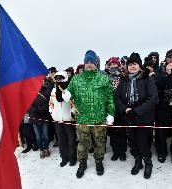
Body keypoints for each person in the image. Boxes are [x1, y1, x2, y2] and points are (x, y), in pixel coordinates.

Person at [63, 50, 115, 178]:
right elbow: (69, 92)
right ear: (84, 63)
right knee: (82, 144)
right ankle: (82, 164)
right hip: (83, 120)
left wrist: (111, 113)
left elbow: (110, 98)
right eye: (87, 62)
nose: (89, 64)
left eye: (92, 61)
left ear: (96, 63)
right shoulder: (76, 79)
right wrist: (66, 94)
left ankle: (98, 162)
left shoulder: (103, 78)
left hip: (99, 119)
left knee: (99, 143)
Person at [116, 52, 158, 179]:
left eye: (135, 64)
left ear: (140, 66)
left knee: (143, 143)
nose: (132, 66)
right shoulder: (123, 80)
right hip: (129, 117)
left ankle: (148, 163)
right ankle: (137, 161)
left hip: (144, 117)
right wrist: (125, 109)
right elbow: (116, 97)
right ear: (127, 67)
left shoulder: (147, 79)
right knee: (133, 143)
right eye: (130, 64)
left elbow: (153, 98)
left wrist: (137, 110)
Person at [49, 71, 77, 167]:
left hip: (68, 119)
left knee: (71, 140)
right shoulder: (53, 90)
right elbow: (51, 104)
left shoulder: (70, 90)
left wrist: (72, 114)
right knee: (61, 141)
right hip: (58, 120)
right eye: (57, 78)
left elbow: (75, 104)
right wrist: (53, 114)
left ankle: (72, 158)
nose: (58, 80)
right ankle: (64, 158)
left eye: (60, 78)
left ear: (65, 78)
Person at [106, 57, 127, 161]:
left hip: (122, 108)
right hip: (110, 109)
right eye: (111, 65)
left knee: (122, 131)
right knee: (113, 132)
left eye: (115, 64)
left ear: (118, 65)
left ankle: (122, 151)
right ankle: (115, 151)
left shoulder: (124, 77)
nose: (113, 66)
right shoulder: (106, 78)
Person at [28, 77, 54, 159]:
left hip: (44, 117)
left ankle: (46, 148)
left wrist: (41, 109)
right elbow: (28, 105)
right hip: (34, 118)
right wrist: (35, 110)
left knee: (45, 135)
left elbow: (48, 102)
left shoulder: (45, 91)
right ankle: (41, 150)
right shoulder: (29, 92)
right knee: (38, 136)